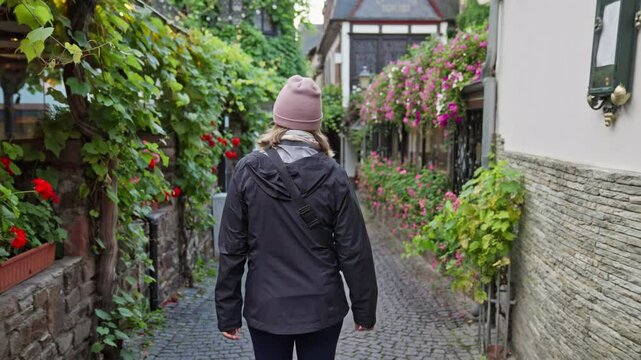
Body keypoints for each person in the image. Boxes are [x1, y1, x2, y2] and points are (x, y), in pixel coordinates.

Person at [215, 75, 378, 360]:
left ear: (278, 118)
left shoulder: (246, 171)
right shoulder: (334, 175)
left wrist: (228, 311)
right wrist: (364, 309)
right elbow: (354, 249)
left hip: (267, 305)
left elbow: (231, 248)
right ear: (316, 124)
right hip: (321, 306)